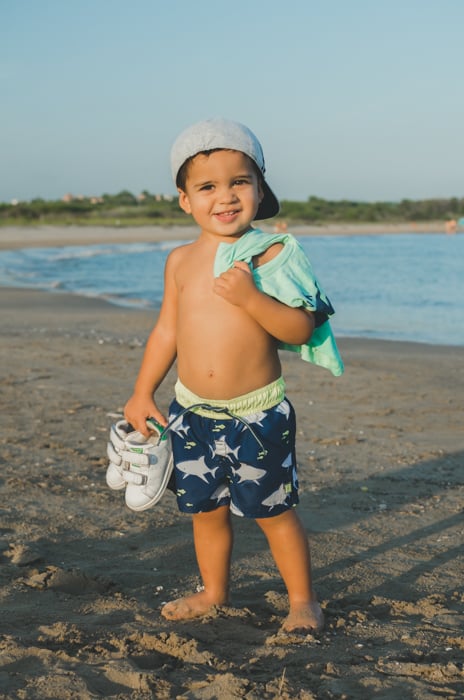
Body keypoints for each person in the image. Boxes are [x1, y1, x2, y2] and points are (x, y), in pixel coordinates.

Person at [124, 118, 344, 633]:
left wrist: (252, 297)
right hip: (192, 412)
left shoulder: (271, 254)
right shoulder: (179, 261)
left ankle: (302, 600)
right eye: (207, 186)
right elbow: (166, 332)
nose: (225, 197)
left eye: (239, 182)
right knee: (206, 512)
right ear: (184, 200)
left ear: (260, 189)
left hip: (257, 414)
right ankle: (214, 591)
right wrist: (141, 391)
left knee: (273, 513)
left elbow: (301, 326)